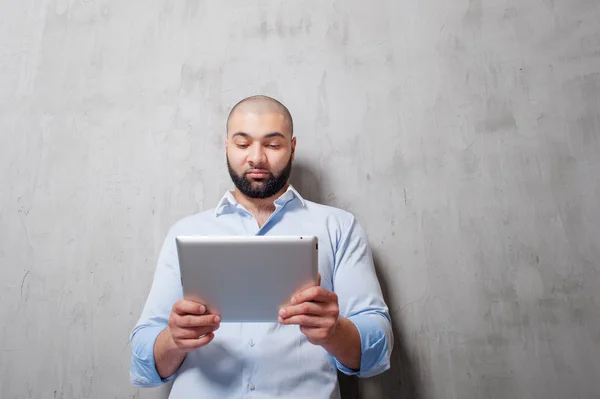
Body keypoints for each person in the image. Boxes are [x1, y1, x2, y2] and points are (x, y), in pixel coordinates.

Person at [130, 95, 393, 398]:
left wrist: (334, 332)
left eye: (272, 144)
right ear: (226, 146)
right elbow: (142, 363)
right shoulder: (186, 232)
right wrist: (174, 338)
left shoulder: (339, 228)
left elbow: (378, 350)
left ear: (292, 149)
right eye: (242, 144)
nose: (256, 157)